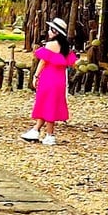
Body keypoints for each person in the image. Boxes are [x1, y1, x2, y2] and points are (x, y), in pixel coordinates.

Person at [21, 17, 77, 145]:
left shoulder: (50, 45)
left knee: (47, 105)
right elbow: (73, 63)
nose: (48, 32)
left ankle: (50, 135)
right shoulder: (66, 48)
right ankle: (36, 130)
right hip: (60, 79)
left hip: (48, 78)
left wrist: (36, 76)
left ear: (55, 32)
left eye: (51, 30)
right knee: (49, 104)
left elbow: (43, 61)